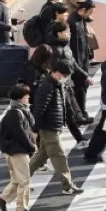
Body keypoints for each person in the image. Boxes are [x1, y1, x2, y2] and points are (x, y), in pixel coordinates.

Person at [27, 60, 83, 195]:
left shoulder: (57, 84)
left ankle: (19, 179)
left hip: (53, 125)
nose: (66, 78)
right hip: (49, 127)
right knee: (60, 156)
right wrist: (35, 130)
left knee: (41, 156)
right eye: (65, 75)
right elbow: (39, 110)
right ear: (57, 73)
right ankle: (67, 185)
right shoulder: (47, 86)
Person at [0, 84, 38, 211]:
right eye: (26, 96)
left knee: (17, 180)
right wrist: (31, 146)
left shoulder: (19, 111)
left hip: (14, 150)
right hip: (17, 151)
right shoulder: (16, 113)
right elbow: (20, 133)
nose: (28, 98)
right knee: (24, 181)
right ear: (20, 98)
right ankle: (21, 210)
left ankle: (3, 198)